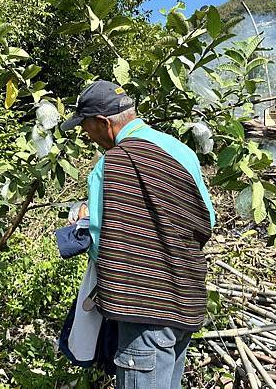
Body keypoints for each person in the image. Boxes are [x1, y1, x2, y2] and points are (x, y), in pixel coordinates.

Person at [60, 80, 216, 389]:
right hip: (186, 300)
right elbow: (206, 220)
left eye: (86, 126)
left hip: (144, 310)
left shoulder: (113, 164)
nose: (85, 134)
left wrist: (82, 219)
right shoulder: (179, 150)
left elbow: (100, 242)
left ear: (103, 123)